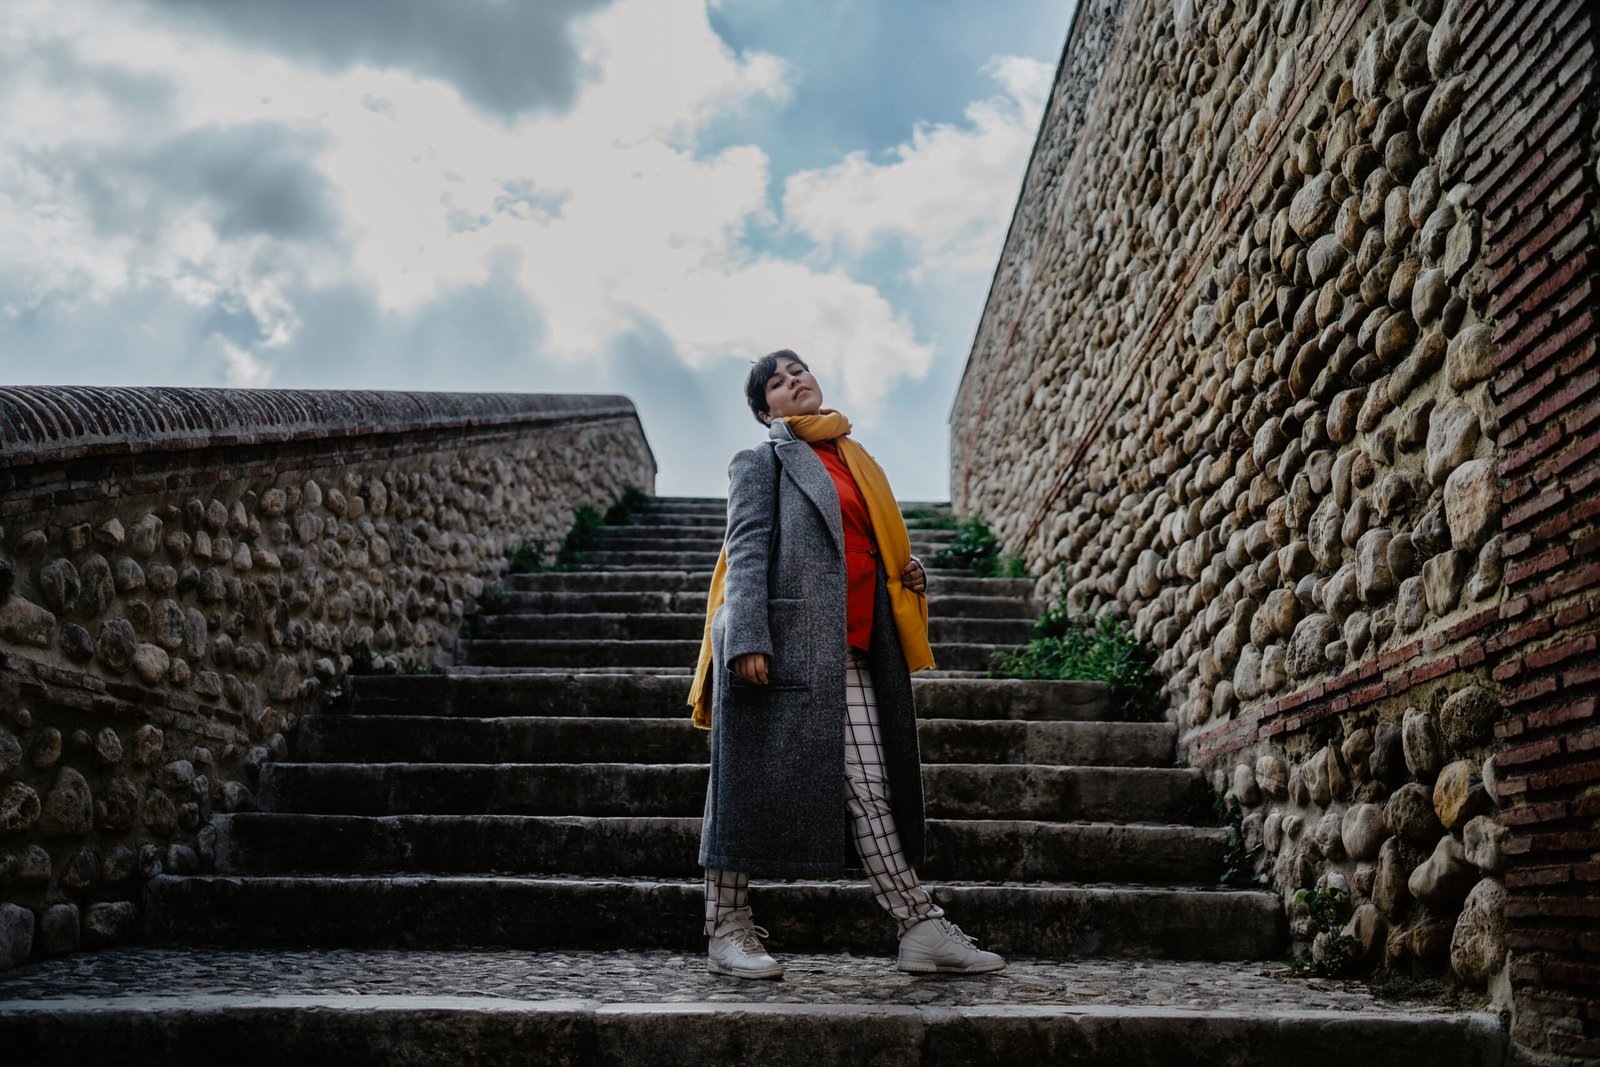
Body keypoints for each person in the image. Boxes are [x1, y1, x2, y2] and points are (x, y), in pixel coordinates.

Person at [686, 350, 1005, 980]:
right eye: (776, 382)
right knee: (740, 785)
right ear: (763, 410)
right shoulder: (761, 460)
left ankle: (920, 926)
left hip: (855, 645)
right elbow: (746, 548)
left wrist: (905, 573)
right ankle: (727, 928)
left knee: (870, 787)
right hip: (776, 644)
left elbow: (868, 547)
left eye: (798, 370)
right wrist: (749, 635)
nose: (793, 382)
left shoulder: (858, 462)